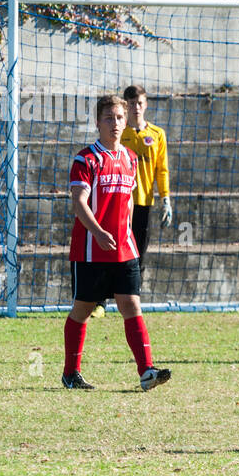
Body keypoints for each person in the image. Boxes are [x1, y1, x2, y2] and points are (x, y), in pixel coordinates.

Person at [62, 95, 171, 392]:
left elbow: (129, 204)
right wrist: (97, 231)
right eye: (108, 118)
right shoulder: (85, 159)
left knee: (131, 305)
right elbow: (79, 203)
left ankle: (147, 371)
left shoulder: (130, 159)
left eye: (119, 118)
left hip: (124, 249)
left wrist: (128, 235)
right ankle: (71, 373)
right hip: (91, 251)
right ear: (97, 122)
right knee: (82, 310)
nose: (115, 123)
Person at [94, 84, 171, 316]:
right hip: (116, 203)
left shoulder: (157, 135)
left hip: (143, 204)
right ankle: (100, 302)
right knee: (108, 251)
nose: (137, 108)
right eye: (132, 104)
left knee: (138, 255)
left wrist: (165, 198)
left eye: (140, 103)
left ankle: (131, 299)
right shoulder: (118, 132)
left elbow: (162, 169)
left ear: (145, 105)